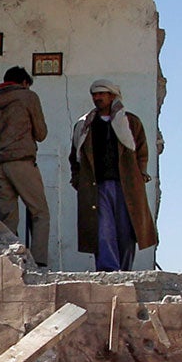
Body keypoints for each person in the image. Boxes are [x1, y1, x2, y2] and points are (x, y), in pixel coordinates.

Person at [70, 80, 156, 271]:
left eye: (102, 94)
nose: (97, 98)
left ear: (112, 96)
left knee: (126, 232)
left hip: (127, 186)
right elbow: (75, 156)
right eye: (95, 94)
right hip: (96, 186)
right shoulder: (85, 125)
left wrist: (140, 176)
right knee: (103, 231)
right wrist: (78, 181)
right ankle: (109, 270)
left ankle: (124, 271)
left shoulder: (130, 122)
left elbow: (141, 152)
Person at [0, 66, 51, 266]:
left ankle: (11, 261)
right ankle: (40, 261)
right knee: (40, 212)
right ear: (24, 83)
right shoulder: (28, 97)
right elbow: (41, 133)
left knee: (8, 217)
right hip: (21, 160)